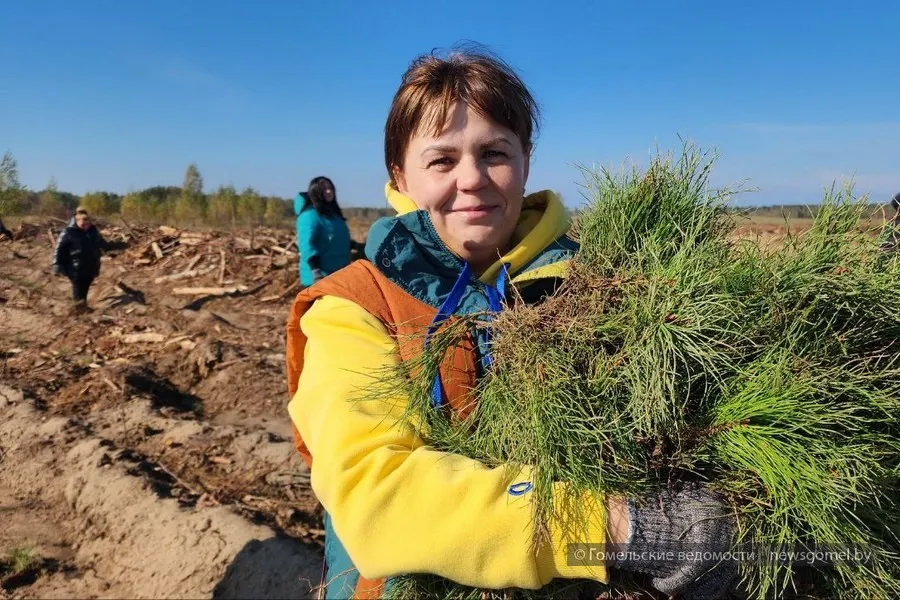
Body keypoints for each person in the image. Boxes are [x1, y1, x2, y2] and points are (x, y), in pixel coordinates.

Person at [286, 48, 738, 600]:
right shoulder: (355, 307)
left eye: (494, 153)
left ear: (526, 161)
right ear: (400, 174)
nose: (472, 179)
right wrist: (620, 529)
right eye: (442, 160)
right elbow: (379, 495)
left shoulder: (598, 286)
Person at [293, 177, 352, 287]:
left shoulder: (334, 216)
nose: (329, 191)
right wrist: (316, 273)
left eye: (330, 188)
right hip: (319, 278)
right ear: (316, 192)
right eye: (324, 189)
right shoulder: (309, 216)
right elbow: (307, 245)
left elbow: (337, 240)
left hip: (338, 275)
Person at [52, 207, 109, 311]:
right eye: (83, 225)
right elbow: (59, 248)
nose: (85, 227)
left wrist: (118, 246)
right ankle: (78, 311)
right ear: (76, 222)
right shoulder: (68, 232)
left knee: (86, 285)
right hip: (75, 267)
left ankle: (83, 306)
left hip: (91, 265)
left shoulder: (93, 231)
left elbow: (102, 244)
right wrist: (57, 264)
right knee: (78, 287)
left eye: (87, 224)